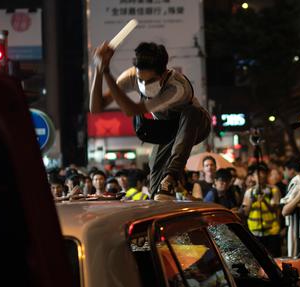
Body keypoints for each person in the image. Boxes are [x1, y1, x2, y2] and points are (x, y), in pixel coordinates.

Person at [90, 41, 210, 200]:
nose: (144, 85)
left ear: (163, 74)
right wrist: (99, 69)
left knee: (190, 112)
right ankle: (161, 192)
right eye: (141, 80)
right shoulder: (132, 76)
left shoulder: (177, 87)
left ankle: (171, 177)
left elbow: (131, 110)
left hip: (196, 126)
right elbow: (96, 108)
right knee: (155, 179)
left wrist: (107, 72)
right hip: (168, 131)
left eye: (150, 81)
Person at [242, 163, 282, 257]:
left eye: (262, 173)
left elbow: (275, 210)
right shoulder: (249, 192)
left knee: (274, 258)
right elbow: (245, 212)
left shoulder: (274, 190)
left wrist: (264, 200)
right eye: (257, 174)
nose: (260, 176)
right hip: (255, 232)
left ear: (266, 175)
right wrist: (252, 200)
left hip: (272, 232)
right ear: (253, 177)